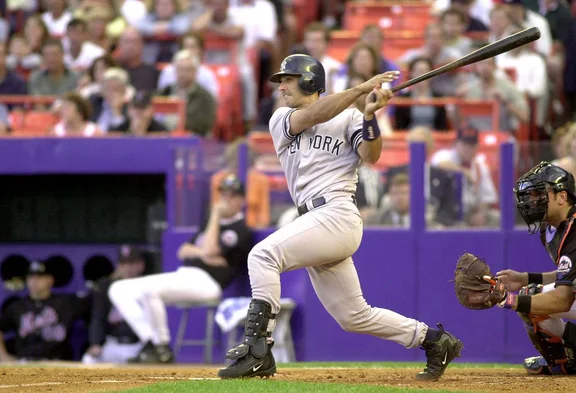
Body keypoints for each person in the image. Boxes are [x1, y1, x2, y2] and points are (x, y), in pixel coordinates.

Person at [217, 54, 463, 381]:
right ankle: (433, 340)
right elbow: (316, 113)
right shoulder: (282, 118)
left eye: (288, 79)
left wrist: (371, 116)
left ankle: (257, 349)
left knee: (263, 255)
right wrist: (361, 89)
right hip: (314, 221)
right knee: (353, 316)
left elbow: (371, 155)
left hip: (336, 214)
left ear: (309, 80)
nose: (282, 86)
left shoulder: (350, 119)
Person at [109, 174, 254, 364]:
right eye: (223, 194)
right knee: (118, 289)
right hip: (185, 275)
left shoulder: (240, 229)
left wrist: (215, 218)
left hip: (209, 283)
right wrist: (204, 253)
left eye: (231, 195)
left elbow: (209, 248)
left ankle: (162, 347)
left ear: (241, 200)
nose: (225, 199)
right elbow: (183, 251)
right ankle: (151, 342)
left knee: (150, 291)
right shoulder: (209, 224)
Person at [495, 162, 576, 375]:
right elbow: (567, 277)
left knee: (530, 299)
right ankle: (565, 362)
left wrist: (508, 301)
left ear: (562, 196)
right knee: (531, 293)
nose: (532, 200)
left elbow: (563, 298)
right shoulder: (550, 228)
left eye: (539, 193)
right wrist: (525, 278)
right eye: (530, 195)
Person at [0, 260, 90, 362]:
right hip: (25, 363)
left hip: (56, 363)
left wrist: (95, 343)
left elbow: (94, 314)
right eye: (31, 277)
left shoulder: (66, 303)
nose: (34, 281)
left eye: (40, 277)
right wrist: (2, 355)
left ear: (50, 280)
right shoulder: (18, 306)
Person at [82, 245, 148, 364]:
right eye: (124, 264)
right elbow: (98, 317)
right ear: (118, 266)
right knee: (88, 360)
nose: (128, 268)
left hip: (139, 345)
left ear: (141, 265)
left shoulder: (149, 286)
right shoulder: (106, 286)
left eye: (132, 263)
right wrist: (96, 343)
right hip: (113, 344)